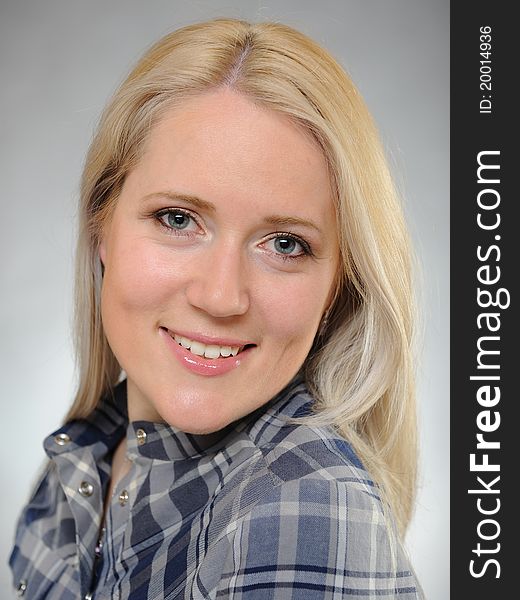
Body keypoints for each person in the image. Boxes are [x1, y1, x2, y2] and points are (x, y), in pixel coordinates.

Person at [9, 18, 423, 599]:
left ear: (338, 286)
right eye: (178, 219)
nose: (221, 296)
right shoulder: (83, 458)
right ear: (102, 227)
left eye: (285, 244)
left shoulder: (302, 508)